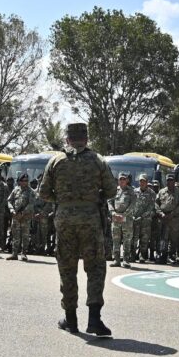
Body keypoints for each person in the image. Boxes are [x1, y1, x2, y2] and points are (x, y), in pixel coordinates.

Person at [39, 122, 116, 337]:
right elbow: (111, 190)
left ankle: (71, 320)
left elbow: (43, 192)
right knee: (95, 268)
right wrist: (92, 198)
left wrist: (63, 201)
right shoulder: (98, 160)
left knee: (67, 266)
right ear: (87, 139)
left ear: (67, 139)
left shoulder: (56, 161)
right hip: (91, 219)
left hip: (64, 220)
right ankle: (94, 319)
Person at [108, 172, 136, 268]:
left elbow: (133, 204)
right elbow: (109, 201)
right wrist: (113, 212)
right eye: (120, 179)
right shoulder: (114, 190)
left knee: (127, 240)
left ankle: (126, 260)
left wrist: (124, 215)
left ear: (127, 180)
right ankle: (116, 260)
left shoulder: (131, 191)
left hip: (126, 220)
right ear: (118, 180)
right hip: (115, 219)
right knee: (115, 240)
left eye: (124, 179)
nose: (122, 181)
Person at [6, 173, 36, 261]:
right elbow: (9, 201)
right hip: (15, 216)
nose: (24, 182)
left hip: (25, 217)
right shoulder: (15, 190)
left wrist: (23, 213)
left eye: (26, 181)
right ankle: (14, 254)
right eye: (23, 181)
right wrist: (12, 210)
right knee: (15, 236)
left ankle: (24, 253)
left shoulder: (31, 191)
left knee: (25, 236)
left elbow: (31, 204)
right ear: (19, 181)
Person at [155, 174, 179, 265]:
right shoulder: (161, 192)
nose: (170, 182)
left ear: (174, 181)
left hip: (174, 219)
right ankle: (162, 255)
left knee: (173, 238)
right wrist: (161, 213)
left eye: (171, 180)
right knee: (162, 238)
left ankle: (171, 256)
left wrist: (173, 214)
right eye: (168, 180)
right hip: (163, 218)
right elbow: (156, 204)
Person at [132, 174, 156, 263]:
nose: (142, 183)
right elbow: (132, 204)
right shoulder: (134, 191)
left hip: (145, 220)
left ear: (147, 182)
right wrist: (133, 216)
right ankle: (133, 255)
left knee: (144, 239)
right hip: (135, 219)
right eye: (140, 181)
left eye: (144, 181)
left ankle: (142, 256)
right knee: (134, 238)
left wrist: (142, 216)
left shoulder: (152, 193)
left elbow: (151, 207)